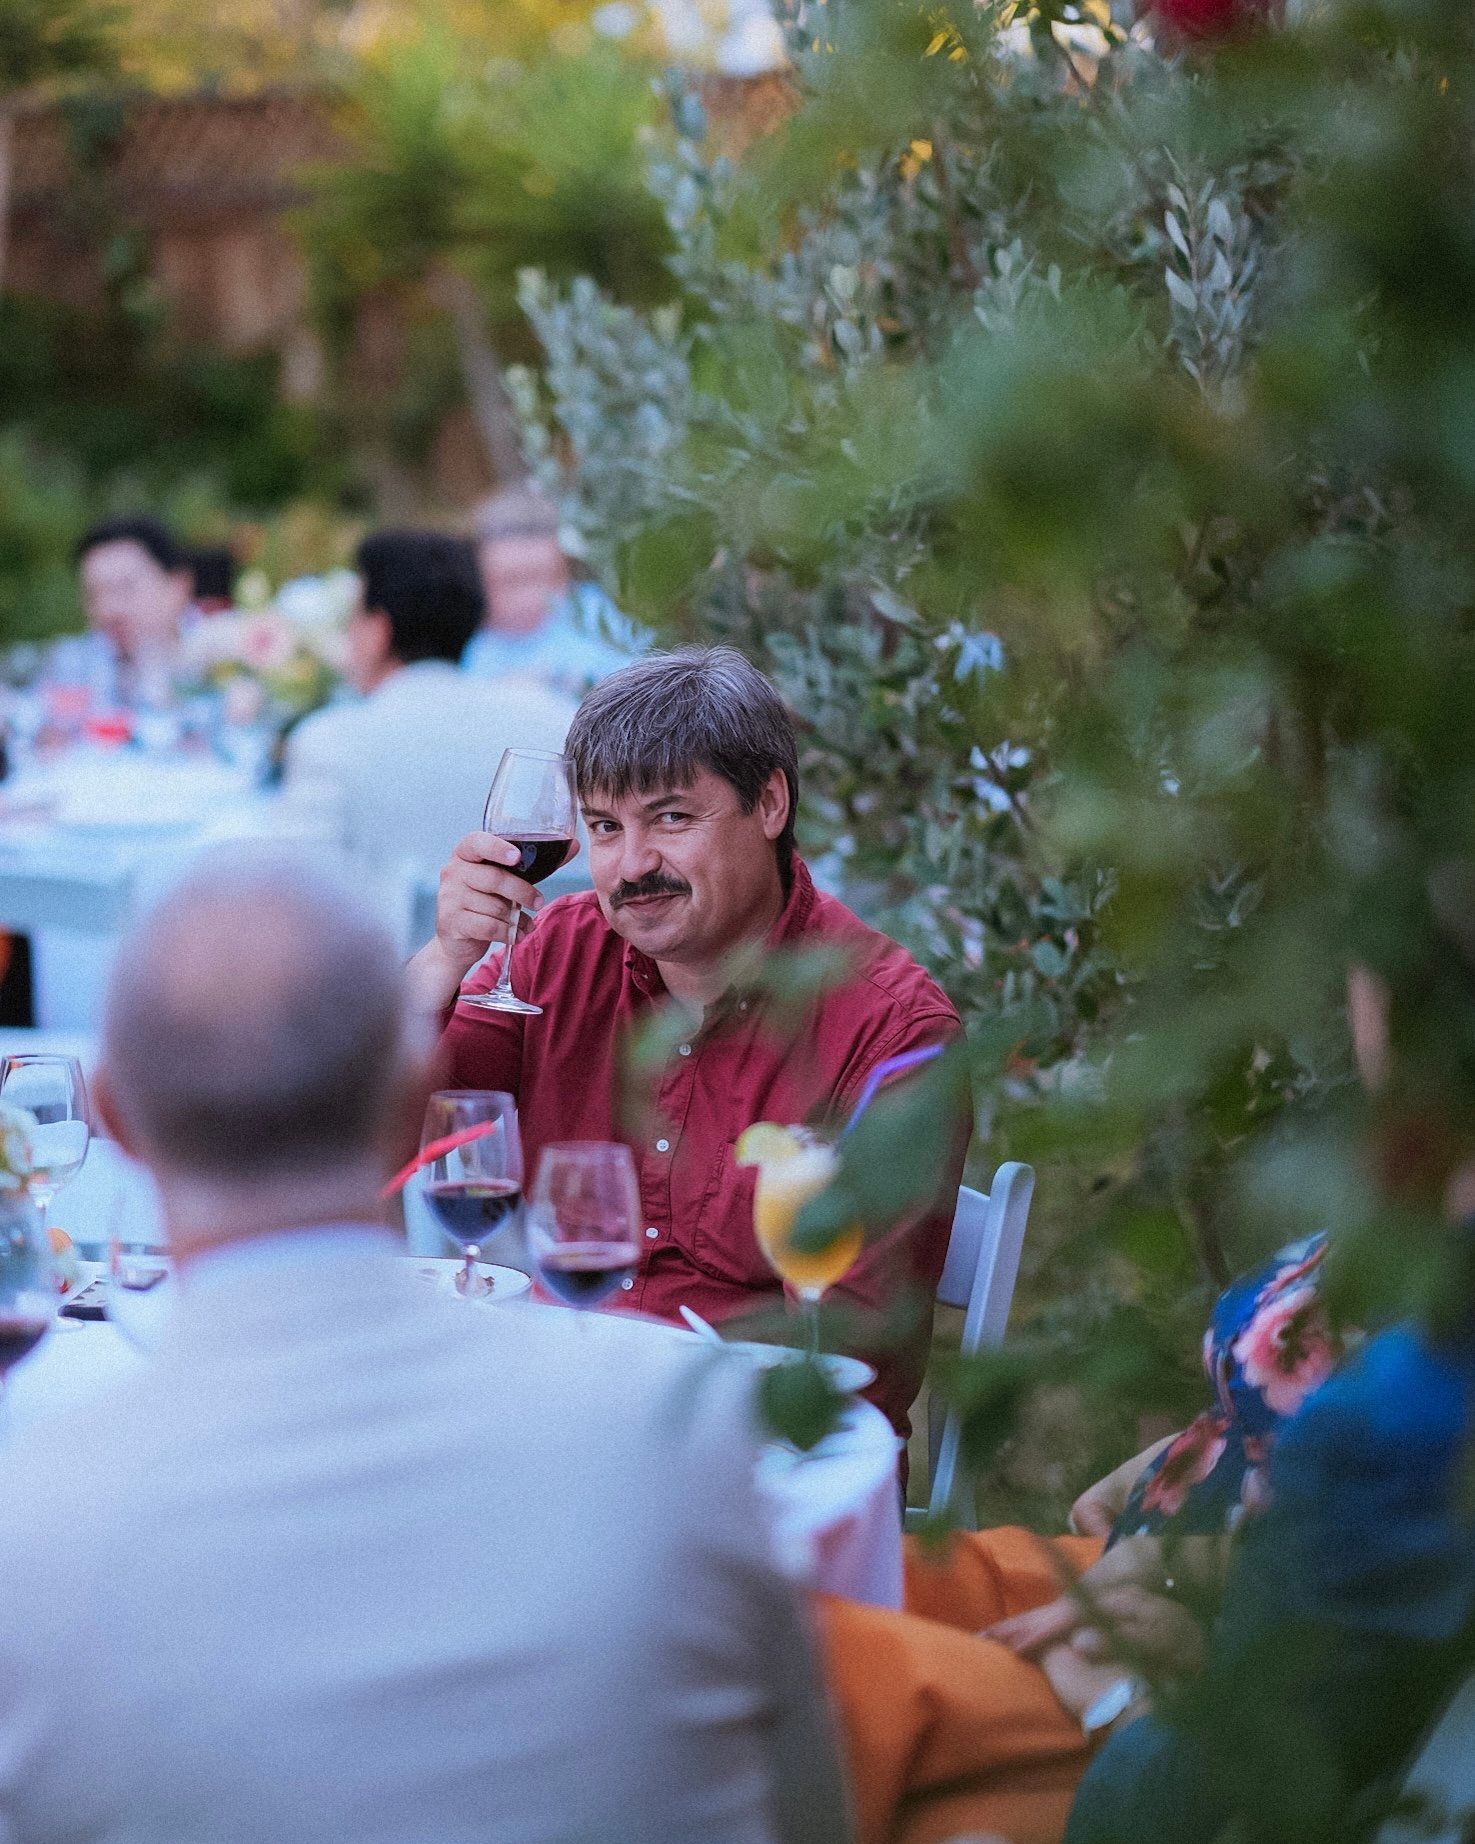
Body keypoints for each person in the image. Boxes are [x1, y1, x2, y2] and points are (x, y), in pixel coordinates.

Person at [0, 861, 849, 1844]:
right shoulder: (685, 1423)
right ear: (415, 1089)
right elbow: (810, 1818)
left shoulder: (28, 1523)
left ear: (111, 1118)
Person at [409, 646, 968, 1437]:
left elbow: (856, 1372)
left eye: (671, 817)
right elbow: (374, 1149)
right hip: (551, 1419)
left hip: (745, 1461)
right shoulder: (553, 956)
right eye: (604, 827)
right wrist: (441, 963)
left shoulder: (891, 1034)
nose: (632, 865)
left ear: (769, 803)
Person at [285, 530, 575, 877]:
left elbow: (299, 885)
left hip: (393, 933)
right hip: (534, 929)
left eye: (353, 617)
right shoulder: (555, 718)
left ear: (379, 630)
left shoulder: (330, 740)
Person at [462, 483, 644, 698]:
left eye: (547, 579)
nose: (530, 600)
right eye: (511, 582)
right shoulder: (476, 648)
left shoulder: (608, 619)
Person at [72, 515, 194, 704]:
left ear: (178, 586)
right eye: (94, 593)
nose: (108, 609)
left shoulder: (229, 659)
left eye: (124, 588)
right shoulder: (71, 670)